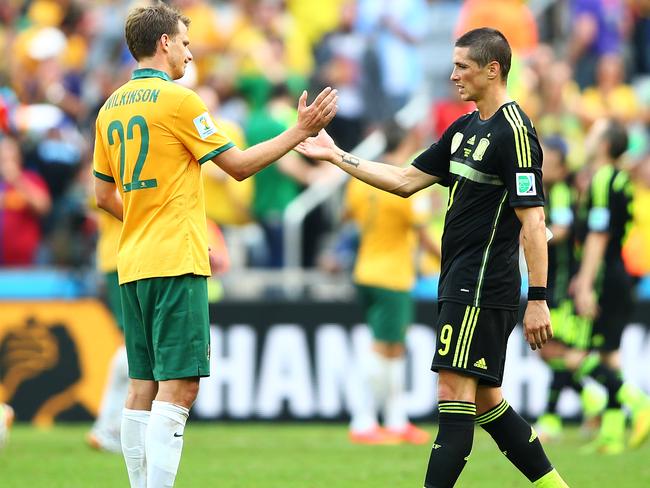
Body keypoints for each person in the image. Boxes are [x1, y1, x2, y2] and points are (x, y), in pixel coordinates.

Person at [297, 27, 569, 487]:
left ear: (492, 70)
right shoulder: (465, 129)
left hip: (480, 285)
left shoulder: (515, 133)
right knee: (485, 403)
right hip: (460, 282)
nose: (452, 74)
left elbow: (533, 224)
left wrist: (538, 297)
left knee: (452, 396)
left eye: (462, 66)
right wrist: (337, 155)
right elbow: (405, 180)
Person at [92, 4, 337, 487]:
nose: (188, 51)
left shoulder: (110, 106)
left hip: (133, 260)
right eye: (184, 42)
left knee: (142, 385)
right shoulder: (179, 102)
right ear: (164, 43)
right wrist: (300, 131)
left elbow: (102, 195)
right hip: (175, 259)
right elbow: (240, 166)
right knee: (179, 387)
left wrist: (147, 217)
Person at [345, 121, 439, 445]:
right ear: (411, 139)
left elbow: (349, 216)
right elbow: (424, 235)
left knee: (393, 348)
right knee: (382, 348)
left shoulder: (363, 180)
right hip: (392, 276)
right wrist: (453, 259)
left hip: (366, 269)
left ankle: (396, 420)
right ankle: (363, 420)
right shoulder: (407, 182)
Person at [565, 119, 650, 453]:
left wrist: (584, 282)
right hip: (617, 271)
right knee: (609, 355)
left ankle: (639, 402)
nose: (587, 139)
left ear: (603, 144)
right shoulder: (619, 179)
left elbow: (598, 236)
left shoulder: (602, 179)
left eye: (593, 133)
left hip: (603, 274)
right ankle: (613, 434)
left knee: (574, 358)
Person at [86, 208, 128, 454]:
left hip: (126, 254)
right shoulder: (111, 168)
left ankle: (111, 426)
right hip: (126, 255)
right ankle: (109, 428)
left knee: (136, 343)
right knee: (135, 343)